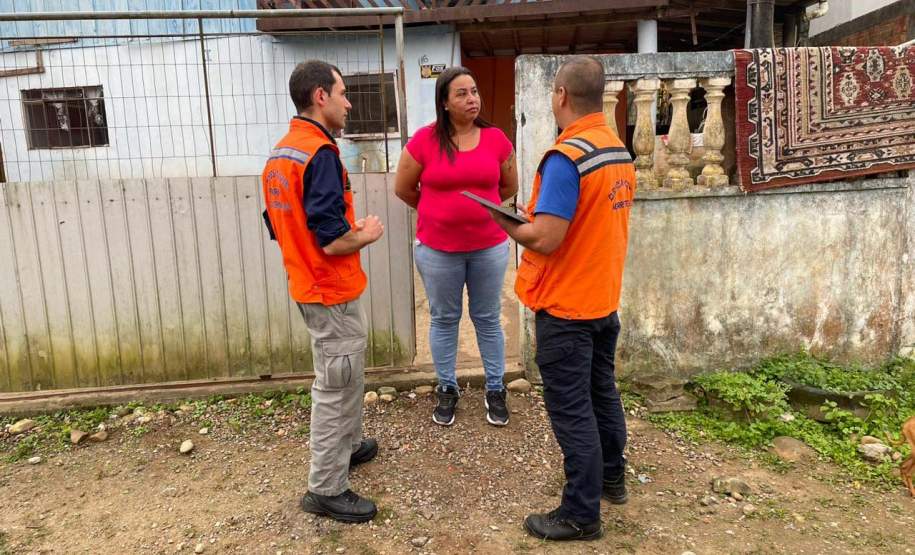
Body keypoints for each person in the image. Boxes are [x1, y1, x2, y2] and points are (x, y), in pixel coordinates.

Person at [486, 56, 635, 541]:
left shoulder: (567, 156)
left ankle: (579, 514)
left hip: (566, 307)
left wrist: (506, 221)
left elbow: (547, 239)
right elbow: (583, 222)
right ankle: (612, 479)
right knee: (602, 394)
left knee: (573, 411)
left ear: (561, 95)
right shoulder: (615, 149)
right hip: (601, 300)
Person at [262, 60, 384, 524]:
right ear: (320, 96)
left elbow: (280, 226)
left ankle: (348, 447)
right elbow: (331, 238)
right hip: (329, 290)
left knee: (345, 372)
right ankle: (326, 488)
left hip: (307, 283)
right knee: (336, 384)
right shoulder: (320, 154)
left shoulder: (281, 154)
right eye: (343, 92)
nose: (348, 102)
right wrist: (366, 233)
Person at [394, 67, 519, 427]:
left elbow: (508, 187)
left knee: (487, 318)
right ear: (445, 103)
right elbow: (404, 189)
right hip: (438, 250)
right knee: (445, 319)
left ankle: (496, 388)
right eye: (462, 93)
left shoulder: (496, 139)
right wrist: (438, 213)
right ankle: (447, 387)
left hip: (488, 247)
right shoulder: (424, 141)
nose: (472, 99)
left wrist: (476, 212)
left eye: (474, 91)